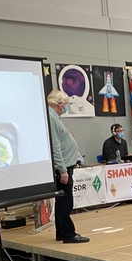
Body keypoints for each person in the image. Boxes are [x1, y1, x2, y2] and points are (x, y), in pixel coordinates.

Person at [47, 90, 89, 244]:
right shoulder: (52, 118)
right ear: (60, 103)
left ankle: (61, 231)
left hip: (65, 164)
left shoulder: (54, 118)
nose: (66, 107)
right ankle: (68, 233)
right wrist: (62, 169)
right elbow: (55, 146)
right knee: (65, 202)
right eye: (66, 104)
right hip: (63, 167)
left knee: (62, 200)